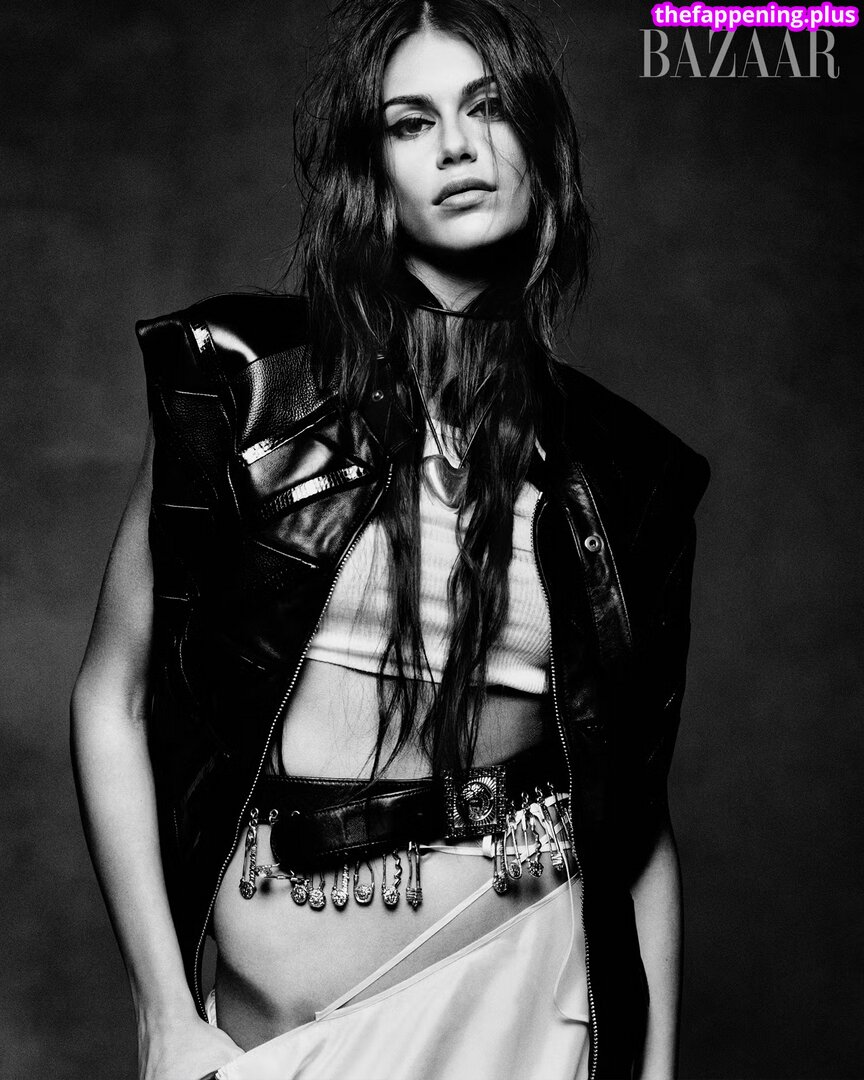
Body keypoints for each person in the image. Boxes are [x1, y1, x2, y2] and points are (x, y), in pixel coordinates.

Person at [70, 2, 710, 1078]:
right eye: (412, 122)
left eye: (487, 107)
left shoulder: (628, 477)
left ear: (540, 143)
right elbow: (113, 696)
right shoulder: (245, 391)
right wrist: (162, 1013)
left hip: (530, 1000)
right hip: (281, 1027)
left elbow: (635, 823)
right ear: (370, 173)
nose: (457, 146)